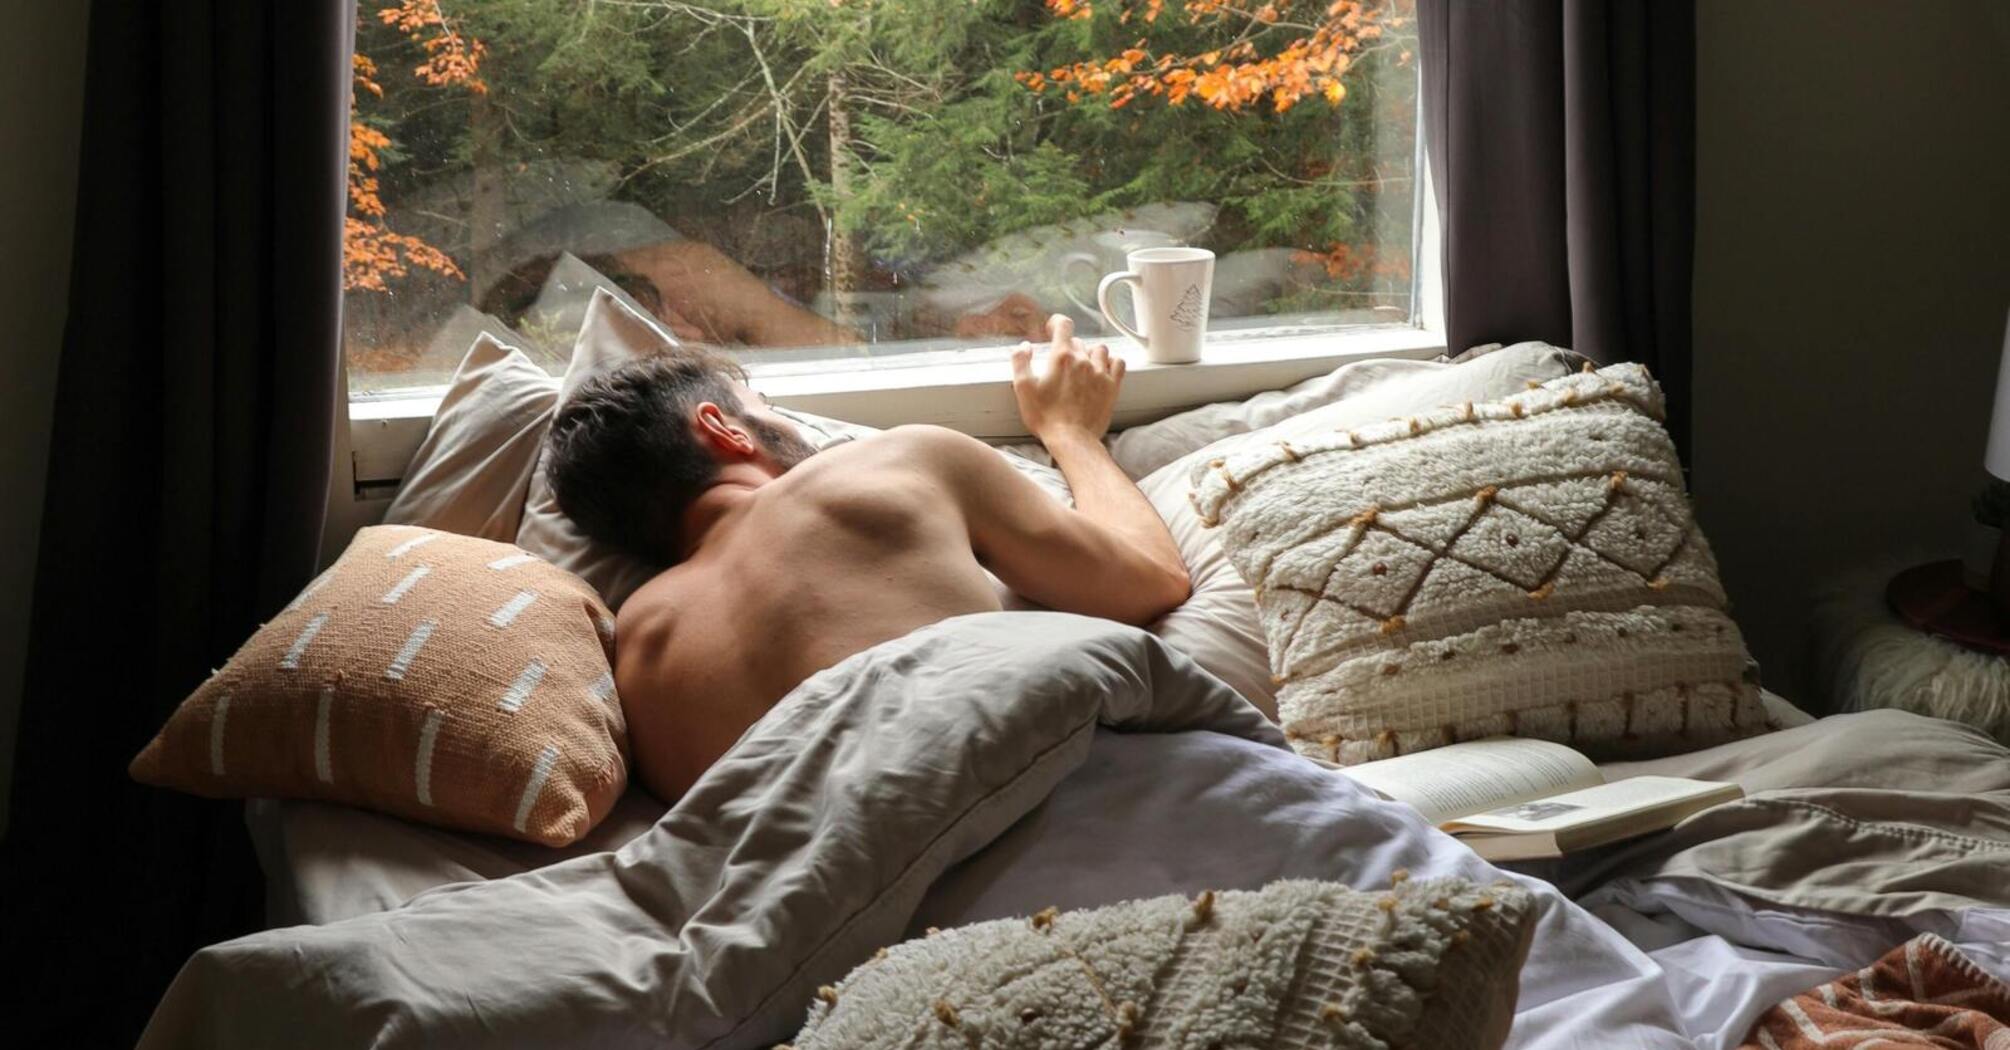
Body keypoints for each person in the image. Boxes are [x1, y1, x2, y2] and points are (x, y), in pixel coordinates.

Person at [544, 315, 1191, 801]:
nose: (800, 430)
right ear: (720, 427)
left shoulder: (637, 648)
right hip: (1023, 813)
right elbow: (1150, 582)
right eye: (767, 410)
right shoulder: (893, 462)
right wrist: (1072, 432)